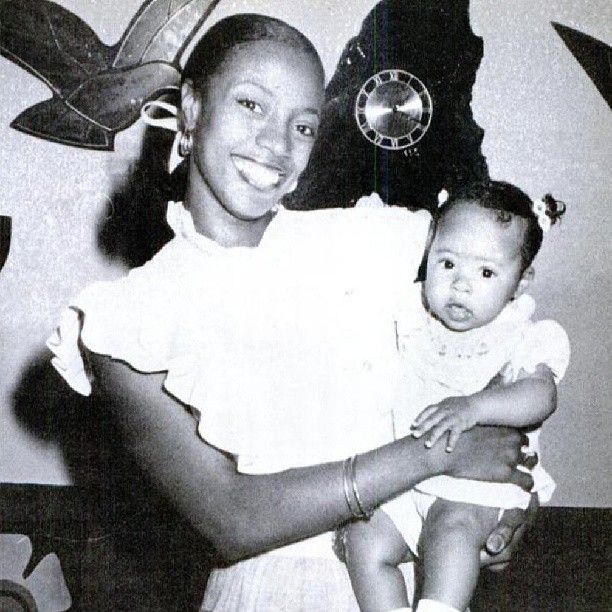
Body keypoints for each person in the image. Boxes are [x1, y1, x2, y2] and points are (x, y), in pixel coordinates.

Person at [47, 14, 537, 611]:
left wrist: (507, 506)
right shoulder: (125, 322)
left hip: (410, 586)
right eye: (251, 105)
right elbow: (230, 519)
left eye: (303, 126)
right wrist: (441, 453)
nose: (276, 145)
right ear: (193, 109)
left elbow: (505, 353)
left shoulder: (378, 242)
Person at [343, 182, 569, 612]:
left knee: (452, 532)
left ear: (520, 283)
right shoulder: (412, 315)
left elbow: (542, 396)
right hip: (406, 481)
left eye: (486, 273)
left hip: (477, 488)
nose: (460, 285)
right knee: (364, 539)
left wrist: (475, 407)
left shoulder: (520, 333)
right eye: (447, 263)